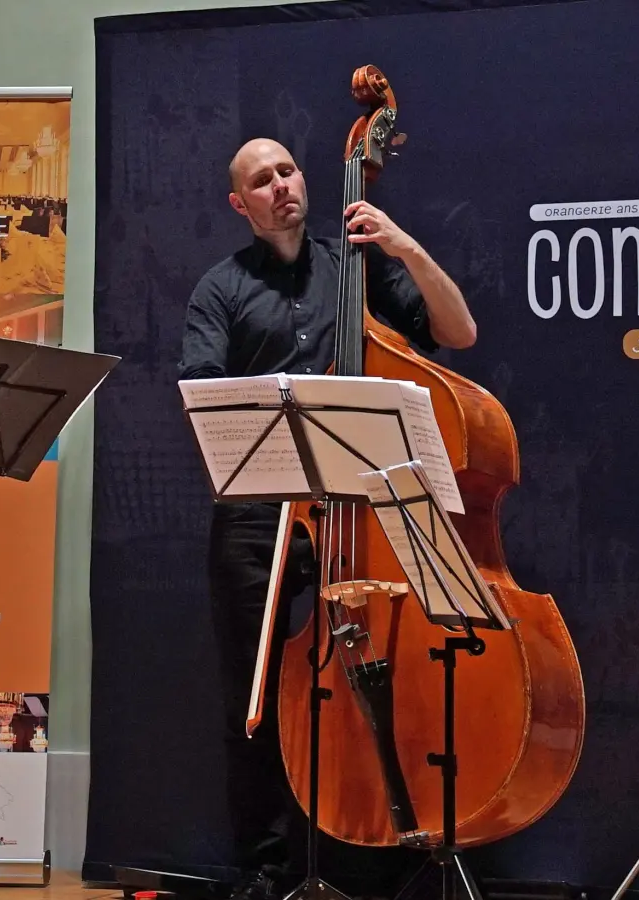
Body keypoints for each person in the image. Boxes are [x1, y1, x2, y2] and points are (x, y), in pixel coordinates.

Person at [178, 137, 478, 900]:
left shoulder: (360, 266)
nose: (280, 186)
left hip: (362, 513)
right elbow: (206, 397)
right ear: (238, 204)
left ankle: (379, 850)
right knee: (253, 695)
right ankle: (266, 867)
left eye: (287, 171)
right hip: (261, 514)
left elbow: (459, 334)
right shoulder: (220, 289)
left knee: (383, 674)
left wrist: (405, 247)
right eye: (260, 181)